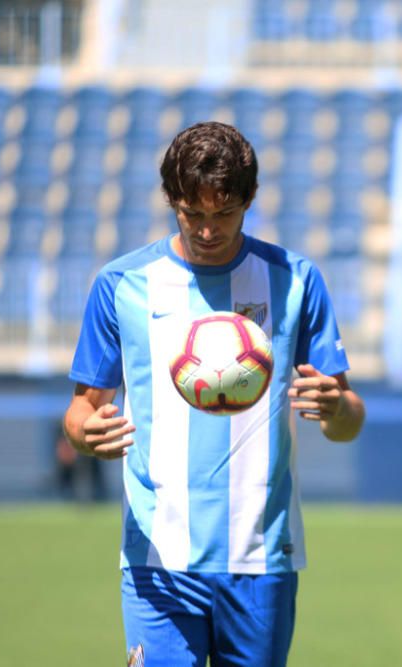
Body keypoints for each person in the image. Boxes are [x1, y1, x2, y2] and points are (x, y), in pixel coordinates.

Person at [62, 121, 365, 667]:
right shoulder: (122, 284)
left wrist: (336, 407)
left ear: (248, 200)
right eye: (191, 214)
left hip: (261, 558)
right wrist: (86, 434)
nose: (206, 230)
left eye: (222, 213)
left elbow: (348, 419)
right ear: (171, 201)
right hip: (157, 557)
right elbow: (82, 409)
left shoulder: (295, 280)